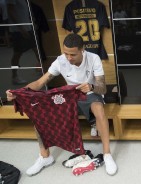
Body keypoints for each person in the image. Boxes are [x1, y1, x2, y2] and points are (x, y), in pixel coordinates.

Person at [6, 33, 118, 176]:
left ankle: (107, 154)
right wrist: (19, 92)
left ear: (82, 50)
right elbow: (40, 82)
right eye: (66, 54)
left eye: (73, 54)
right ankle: (45, 157)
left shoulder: (93, 58)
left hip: (90, 94)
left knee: (99, 109)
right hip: (70, 97)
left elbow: (102, 88)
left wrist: (91, 87)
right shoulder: (60, 61)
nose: (69, 58)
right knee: (40, 114)